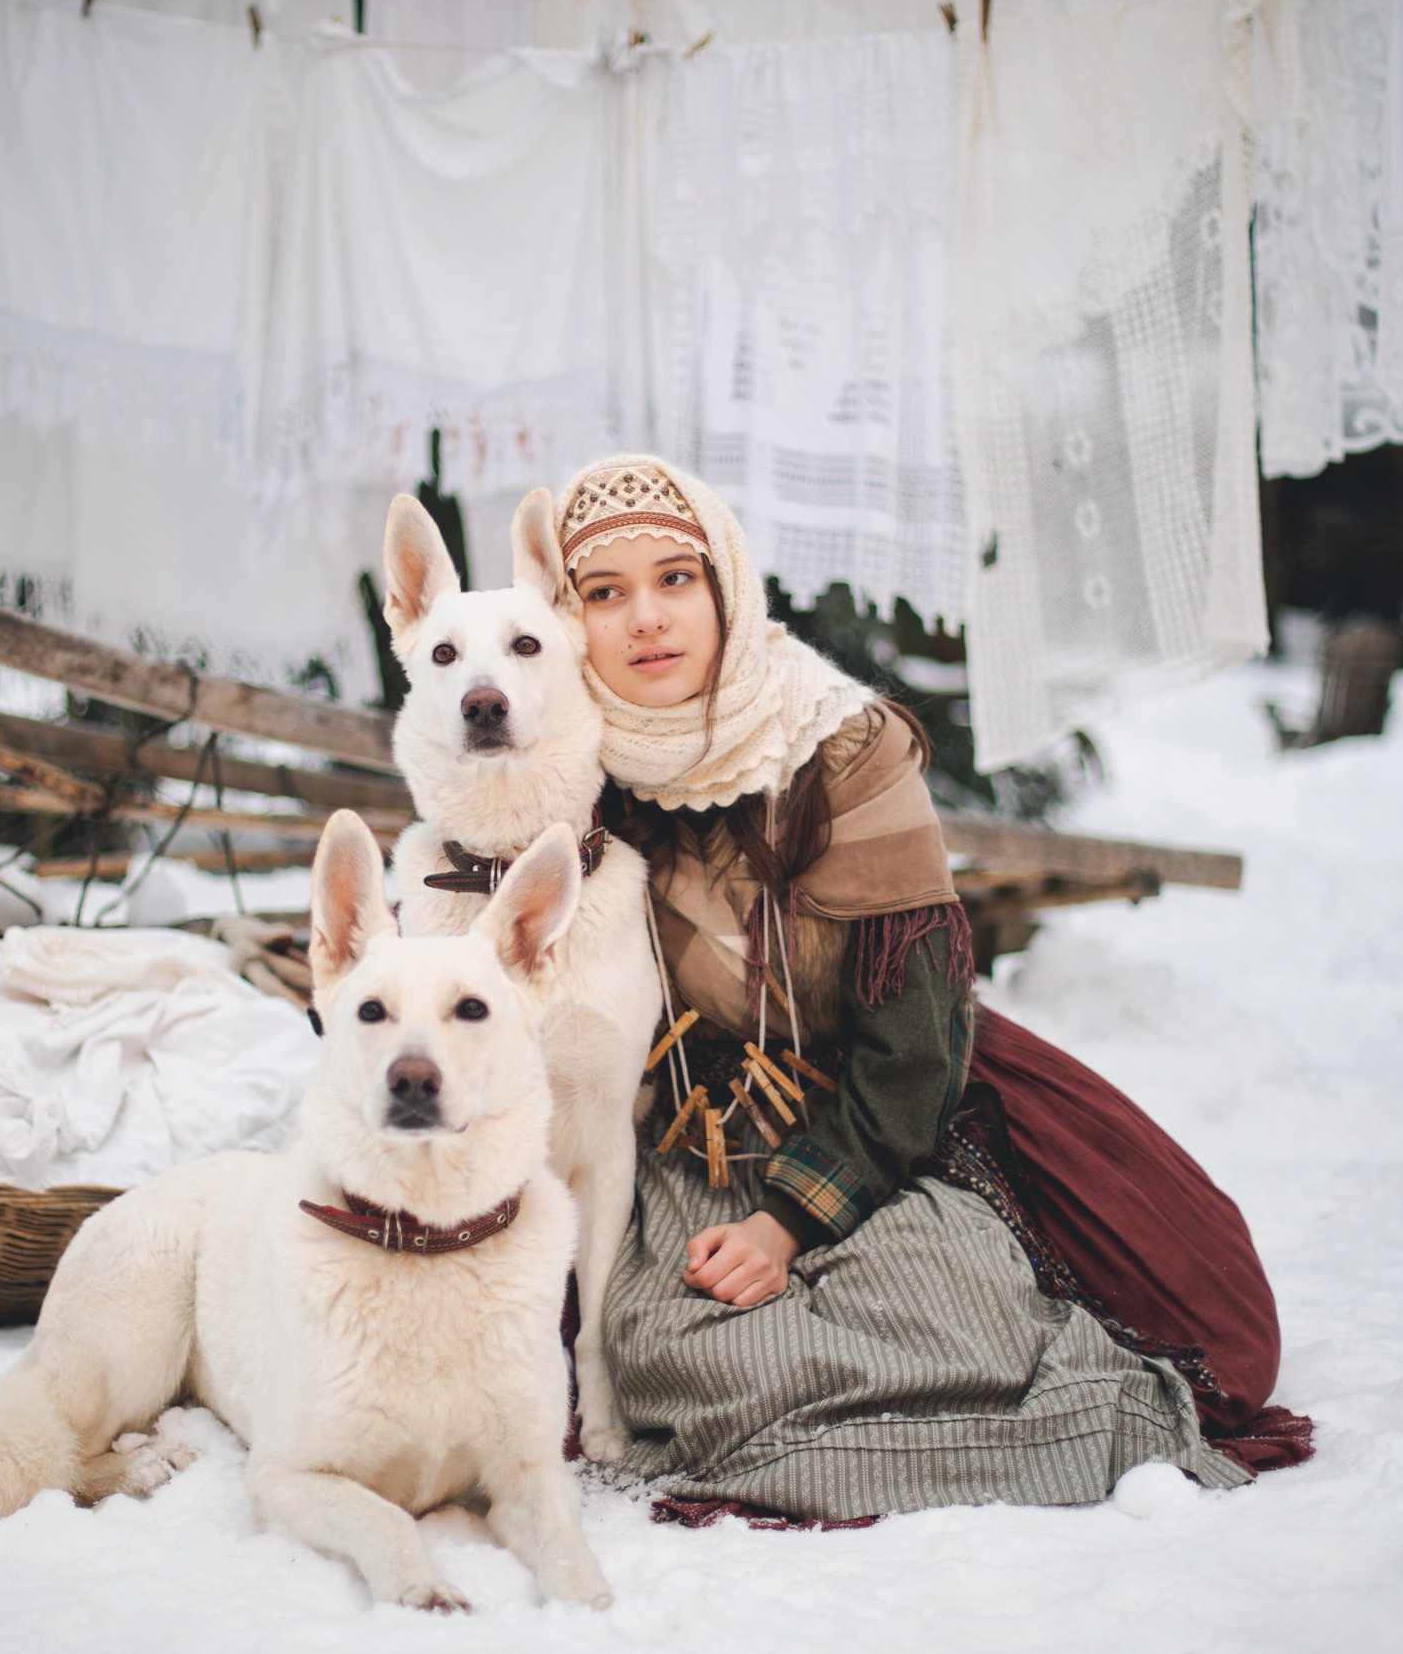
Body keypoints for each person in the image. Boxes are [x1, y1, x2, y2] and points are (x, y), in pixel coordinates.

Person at [551, 454, 1312, 1523]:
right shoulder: (560, 763)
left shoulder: (840, 749)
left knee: (973, 1312)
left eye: (676, 578)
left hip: (892, 1103)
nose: (646, 619)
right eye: (603, 592)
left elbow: (913, 1036)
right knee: (668, 1350)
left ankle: (1043, 1421)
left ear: (726, 583)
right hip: (693, 1127)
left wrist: (785, 1224)